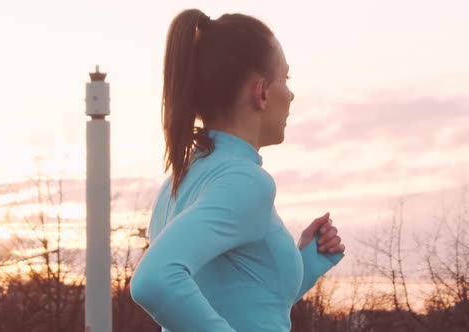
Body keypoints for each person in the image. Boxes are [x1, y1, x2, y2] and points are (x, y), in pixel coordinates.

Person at [130, 9, 345, 332]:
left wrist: (305, 264)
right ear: (261, 92)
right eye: (285, 78)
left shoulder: (178, 183)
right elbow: (153, 281)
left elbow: (238, 302)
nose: (291, 94)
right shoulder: (245, 182)